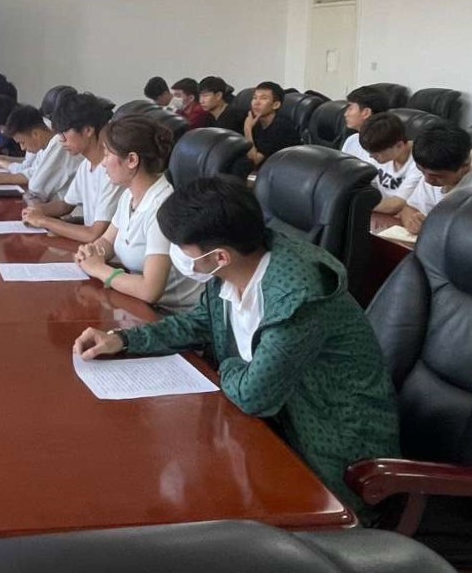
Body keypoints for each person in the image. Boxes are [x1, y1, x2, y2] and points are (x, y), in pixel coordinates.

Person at [73, 176, 400, 517]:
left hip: (332, 457)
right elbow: (198, 323)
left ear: (220, 256)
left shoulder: (298, 297)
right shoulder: (236, 268)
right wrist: (123, 339)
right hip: (270, 428)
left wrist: (226, 365)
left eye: (182, 248)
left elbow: (254, 394)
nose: (177, 255)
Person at [72, 115, 202, 312]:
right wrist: (90, 252)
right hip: (138, 305)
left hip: (171, 314)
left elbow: (150, 290)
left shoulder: (162, 207)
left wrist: (98, 268)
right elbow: (107, 241)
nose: (103, 163)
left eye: (107, 154)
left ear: (132, 160)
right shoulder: (128, 195)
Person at [21, 94, 123, 242]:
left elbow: (94, 234)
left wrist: (43, 221)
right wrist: (36, 210)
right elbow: (65, 205)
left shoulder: (113, 171)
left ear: (88, 130)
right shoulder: (86, 165)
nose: (61, 140)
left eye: (64, 133)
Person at [0, 104, 81, 201]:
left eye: (22, 142)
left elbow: (36, 187)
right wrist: (1, 178)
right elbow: (32, 172)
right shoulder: (45, 147)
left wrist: (4, 173)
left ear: (35, 134)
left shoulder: (59, 143)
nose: (22, 148)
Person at [355, 113, 423, 214]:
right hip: (381, 212)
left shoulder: (419, 163)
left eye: (377, 153)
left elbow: (396, 205)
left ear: (399, 145)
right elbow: (363, 183)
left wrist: (358, 204)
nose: (371, 156)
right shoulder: (382, 154)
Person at [244, 81, 300, 168]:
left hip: (285, 170)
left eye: (263, 98)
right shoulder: (255, 122)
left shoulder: (281, 127)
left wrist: (247, 130)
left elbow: (254, 160)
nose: (256, 103)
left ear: (276, 105)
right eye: (255, 98)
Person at [339, 85, 391, 160]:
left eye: (350, 108)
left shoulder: (386, 148)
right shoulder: (351, 140)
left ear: (366, 113)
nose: (345, 114)